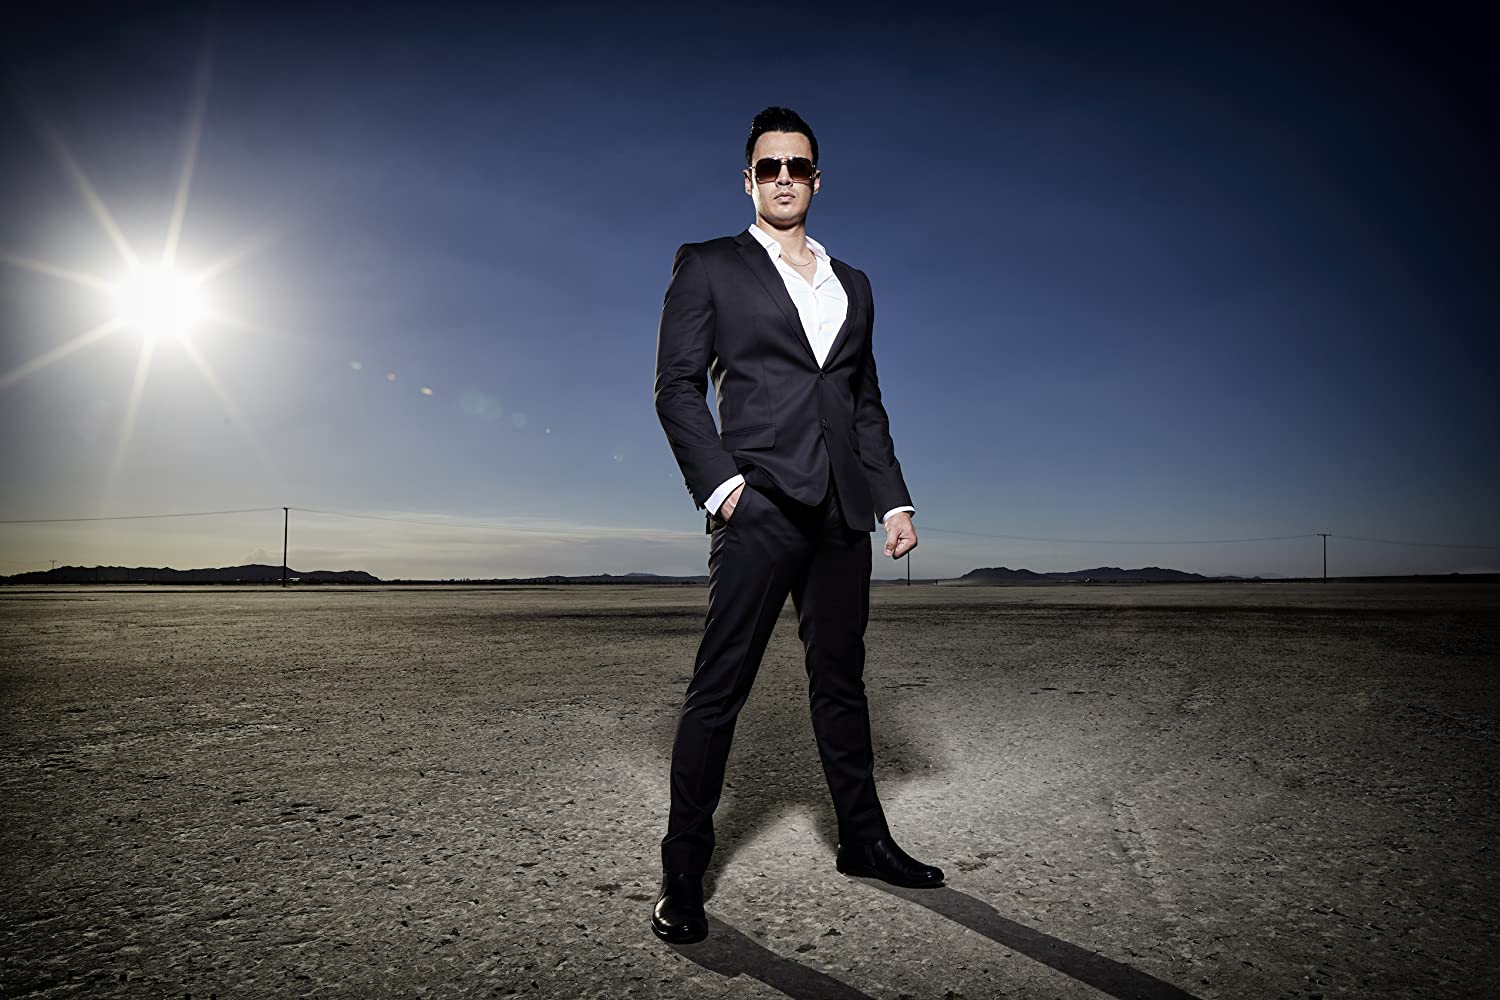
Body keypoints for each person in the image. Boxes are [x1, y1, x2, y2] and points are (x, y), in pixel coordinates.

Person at [650, 106, 943, 944]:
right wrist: (724, 490)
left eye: (799, 166)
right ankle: (682, 872)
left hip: (844, 512)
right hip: (760, 505)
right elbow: (676, 388)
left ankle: (863, 840)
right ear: (748, 179)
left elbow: (862, 402)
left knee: (841, 683)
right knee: (720, 689)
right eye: (770, 166)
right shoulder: (709, 264)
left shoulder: (854, 282)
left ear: (818, 179)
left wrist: (893, 500)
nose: (785, 178)